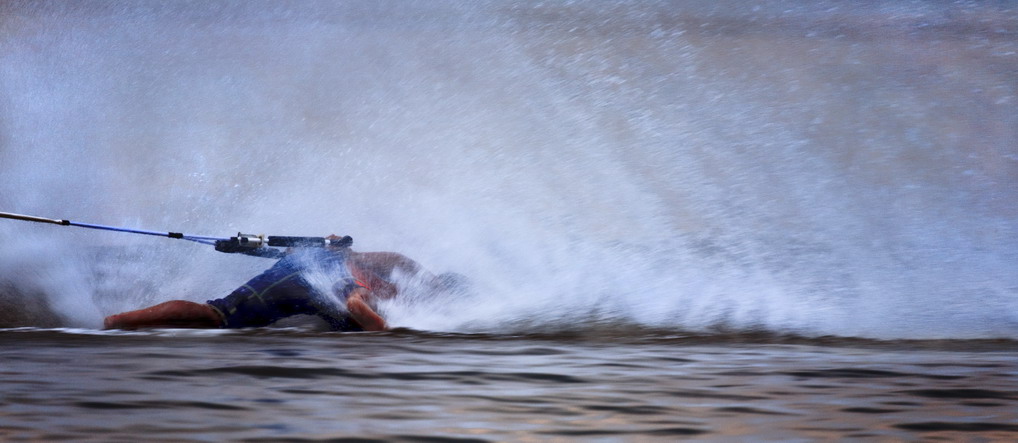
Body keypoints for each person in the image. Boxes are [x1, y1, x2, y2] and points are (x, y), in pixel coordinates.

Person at [103, 236, 441, 332]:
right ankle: (117, 322)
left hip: (304, 266)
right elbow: (355, 302)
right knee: (215, 316)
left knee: (215, 320)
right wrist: (387, 336)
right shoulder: (379, 280)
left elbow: (347, 253)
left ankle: (121, 323)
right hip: (303, 278)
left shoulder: (394, 268)